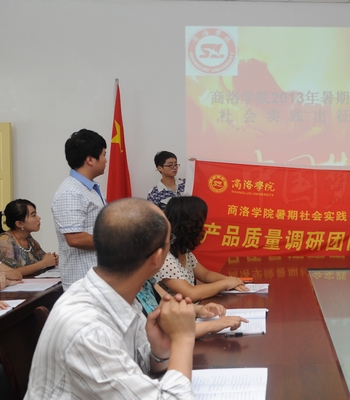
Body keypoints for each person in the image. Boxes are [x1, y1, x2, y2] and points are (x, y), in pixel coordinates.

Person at [25, 198, 197, 399]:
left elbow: (131, 367)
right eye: (170, 240)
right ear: (157, 258)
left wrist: (159, 352)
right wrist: (183, 338)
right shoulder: (89, 330)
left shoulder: (115, 294)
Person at [154, 196, 248, 302]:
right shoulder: (164, 257)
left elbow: (205, 275)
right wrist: (225, 283)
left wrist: (232, 281)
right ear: (188, 226)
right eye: (200, 225)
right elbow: (190, 293)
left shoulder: (184, 251)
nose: (202, 229)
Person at [52, 129, 107, 290]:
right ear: (90, 160)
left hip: (98, 277)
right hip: (83, 282)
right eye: (104, 155)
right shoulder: (70, 192)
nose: (106, 160)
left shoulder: (89, 188)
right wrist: (115, 242)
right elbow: (75, 238)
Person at [137, 278, 248, 338]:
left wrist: (197, 309)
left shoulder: (147, 281)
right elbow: (162, 336)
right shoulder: (129, 297)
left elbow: (172, 304)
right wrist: (210, 325)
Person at [0, 199, 59, 276]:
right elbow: (11, 272)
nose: (38, 218)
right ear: (19, 224)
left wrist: (53, 258)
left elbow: (43, 257)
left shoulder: (28, 238)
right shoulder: (5, 241)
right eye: (33, 215)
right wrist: (43, 263)